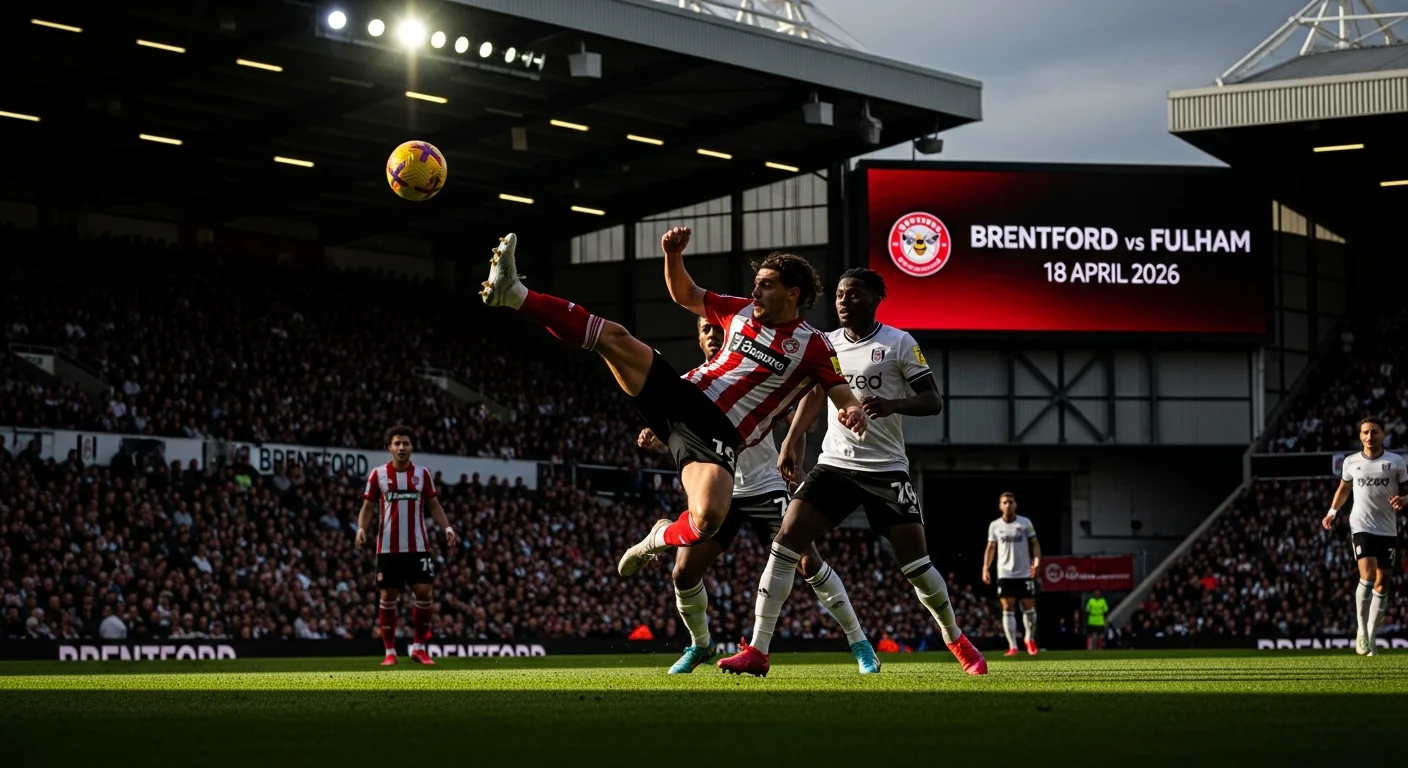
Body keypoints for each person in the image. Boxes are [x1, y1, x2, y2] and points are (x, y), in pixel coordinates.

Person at [478, 228, 868, 575]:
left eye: (765, 285)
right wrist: (673, 255)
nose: (755, 292)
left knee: (708, 519)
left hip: (718, 433)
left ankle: (659, 537)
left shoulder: (814, 345)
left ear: (792, 293)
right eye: (756, 284)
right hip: (685, 395)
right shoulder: (739, 310)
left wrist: (852, 410)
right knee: (613, 338)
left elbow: (841, 394)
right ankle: (515, 294)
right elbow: (685, 293)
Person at [717, 267, 987, 677]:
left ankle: (955, 638)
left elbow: (932, 400)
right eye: (841, 294)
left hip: (885, 470)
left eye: (854, 294)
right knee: (786, 541)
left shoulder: (899, 342)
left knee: (917, 568)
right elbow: (813, 394)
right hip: (835, 465)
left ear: (876, 299)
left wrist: (892, 405)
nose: (844, 301)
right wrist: (791, 441)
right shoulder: (827, 344)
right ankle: (758, 649)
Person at [639, 316, 879, 674]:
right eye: (706, 330)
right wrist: (657, 440)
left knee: (808, 561)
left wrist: (794, 447)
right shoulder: (689, 386)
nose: (713, 335)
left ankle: (860, 644)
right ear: (698, 338)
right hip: (717, 494)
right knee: (683, 573)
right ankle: (701, 645)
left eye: (718, 329)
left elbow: (803, 403)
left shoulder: (755, 375)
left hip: (764, 485)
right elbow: (681, 439)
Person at [356, 424, 458, 666]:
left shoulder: (423, 474)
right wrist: (361, 528)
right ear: (389, 448)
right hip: (388, 547)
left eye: (406, 443)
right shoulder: (378, 474)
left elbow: (434, 505)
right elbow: (368, 506)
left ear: (412, 447)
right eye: (397, 443)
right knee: (388, 596)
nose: (402, 447)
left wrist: (447, 527)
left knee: (424, 592)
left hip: (418, 547)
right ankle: (390, 652)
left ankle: (419, 648)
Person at [1322, 416, 1407, 656]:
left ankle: (1371, 634)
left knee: (1383, 582)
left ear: (1383, 434)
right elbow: (1344, 488)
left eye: (1374, 432)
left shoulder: (1395, 462)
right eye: (1366, 432)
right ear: (1360, 436)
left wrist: (1404, 500)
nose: (1370, 436)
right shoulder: (1351, 462)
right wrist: (1332, 512)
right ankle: (1361, 630)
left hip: (1387, 528)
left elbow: (1406, 491)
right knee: (1367, 577)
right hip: (1361, 525)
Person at [983, 492, 1042, 656]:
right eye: (1005, 502)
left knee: (1029, 607)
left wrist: (1037, 561)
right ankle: (1013, 645)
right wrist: (985, 567)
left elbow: (1035, 544)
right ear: (1000, 506)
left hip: (1024, 572)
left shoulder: (1025, 523)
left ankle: (1029, 638)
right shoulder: (995, 525)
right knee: (1007, 607)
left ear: (1015, 504)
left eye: (1010, 502)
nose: (1008, 505)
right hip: (1005, 573)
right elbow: (991, 547)